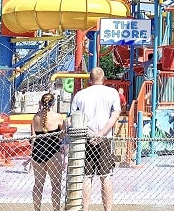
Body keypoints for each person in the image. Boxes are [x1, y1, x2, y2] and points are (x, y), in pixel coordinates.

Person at [70, 67, 121, 211]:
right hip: (104, 138)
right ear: (103, 78)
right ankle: (108, 209)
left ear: (89, 80)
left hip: (85, 138)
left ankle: (85, 208)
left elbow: (74, 118)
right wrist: (102, 133)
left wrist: (91, 133)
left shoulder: (80, 95)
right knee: (106, 176)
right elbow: (114, 116)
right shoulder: (112, 92)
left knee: (86, 176)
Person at [30, 92, 65, 211]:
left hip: (37, 153)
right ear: (53, 104)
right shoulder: (58, 117)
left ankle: (37, 209)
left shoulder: (35, 117)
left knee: (38, 185)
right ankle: (56, 209)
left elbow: (32, 137)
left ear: (41, 103)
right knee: (56, 185)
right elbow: (62, 135)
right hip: (53, 153)